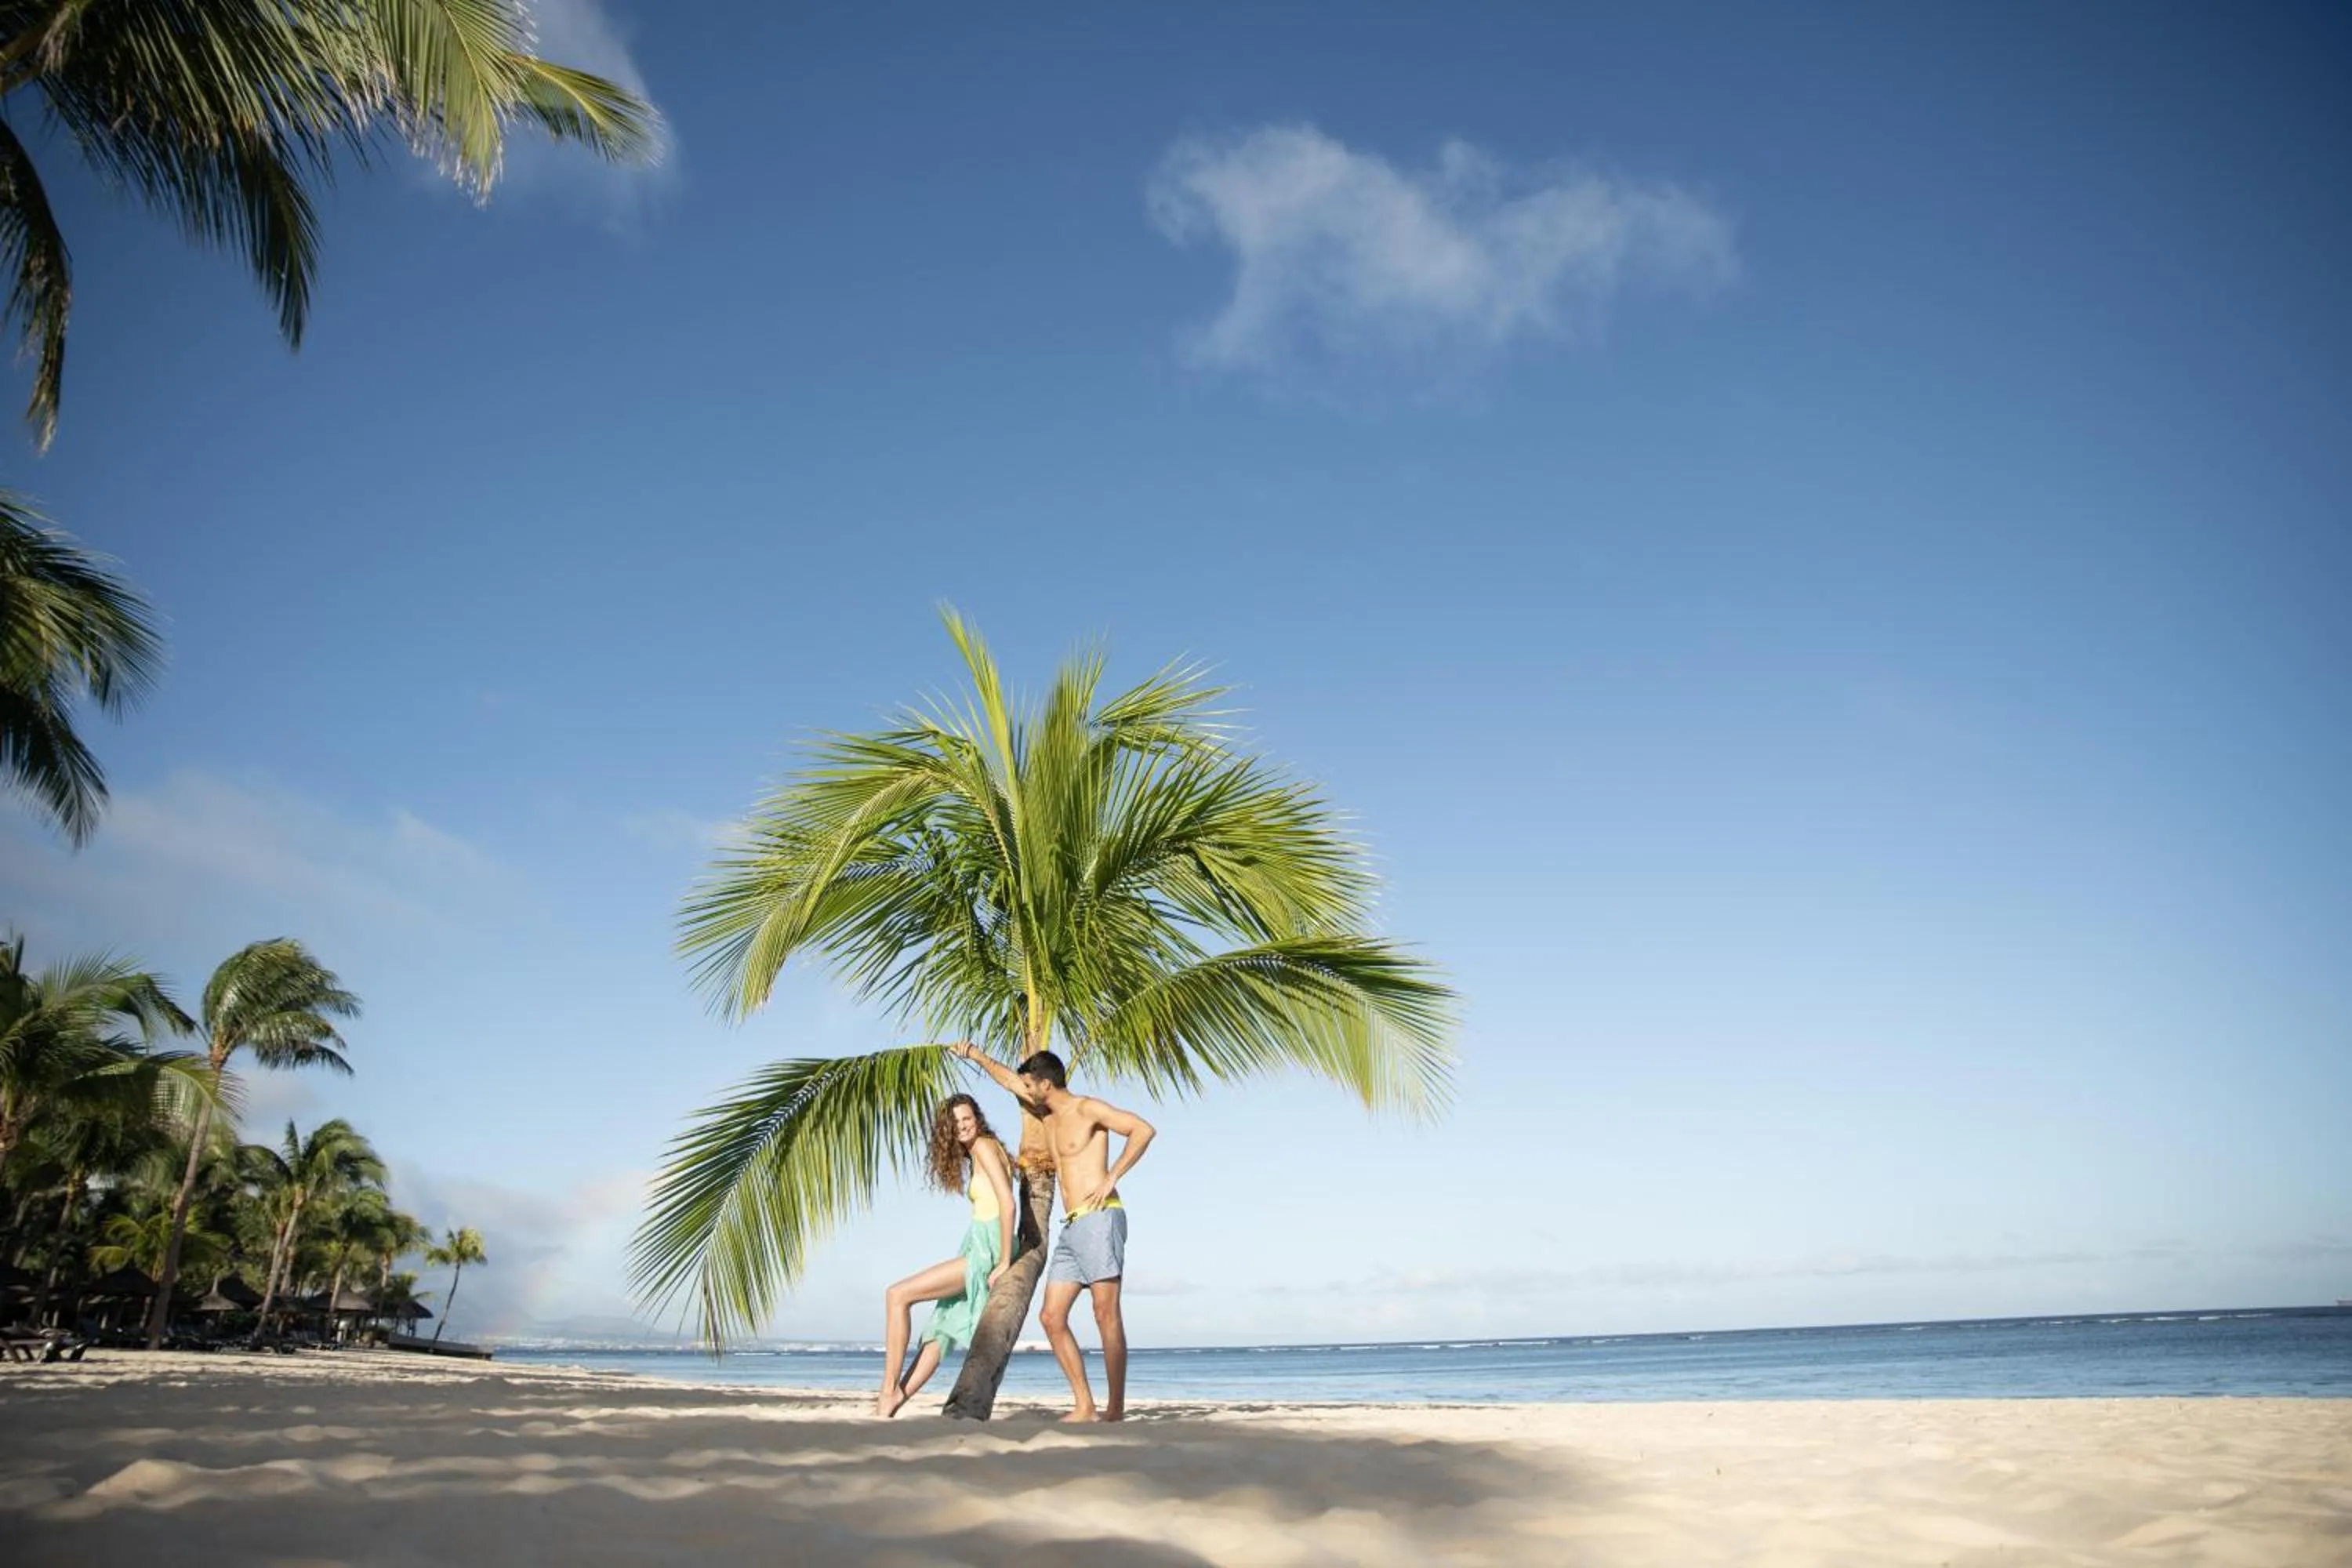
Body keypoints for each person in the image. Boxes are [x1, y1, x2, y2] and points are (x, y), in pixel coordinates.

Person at [950, 1042, 1156, 1421]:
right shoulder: (1047, 1117)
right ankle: (1084, 1405)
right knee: (1051, 1317)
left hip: (1100, 1219)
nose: (1025, 1090)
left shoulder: (1087, 1109)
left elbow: (1143, 1130)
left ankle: (1115, 1410)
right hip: (1072, 1225)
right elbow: (1010, 1081)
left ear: (1045, 1084)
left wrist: (1112, 1176)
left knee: (1104, 1313)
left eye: (1030, 1085)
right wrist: (976, 1056)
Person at [877, 1094, 1015, 1417]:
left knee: (897, 1295)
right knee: (942, 1325)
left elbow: (1007, 1203)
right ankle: (896, 1401)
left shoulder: (982, 1145)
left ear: (977, 1118)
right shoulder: (983, 1149)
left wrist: (1005, 1259)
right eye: (955, 1123)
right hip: (980, 1242)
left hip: (988, 1248)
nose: (962, 1126)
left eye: (967, 1118)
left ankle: (888, 1389)